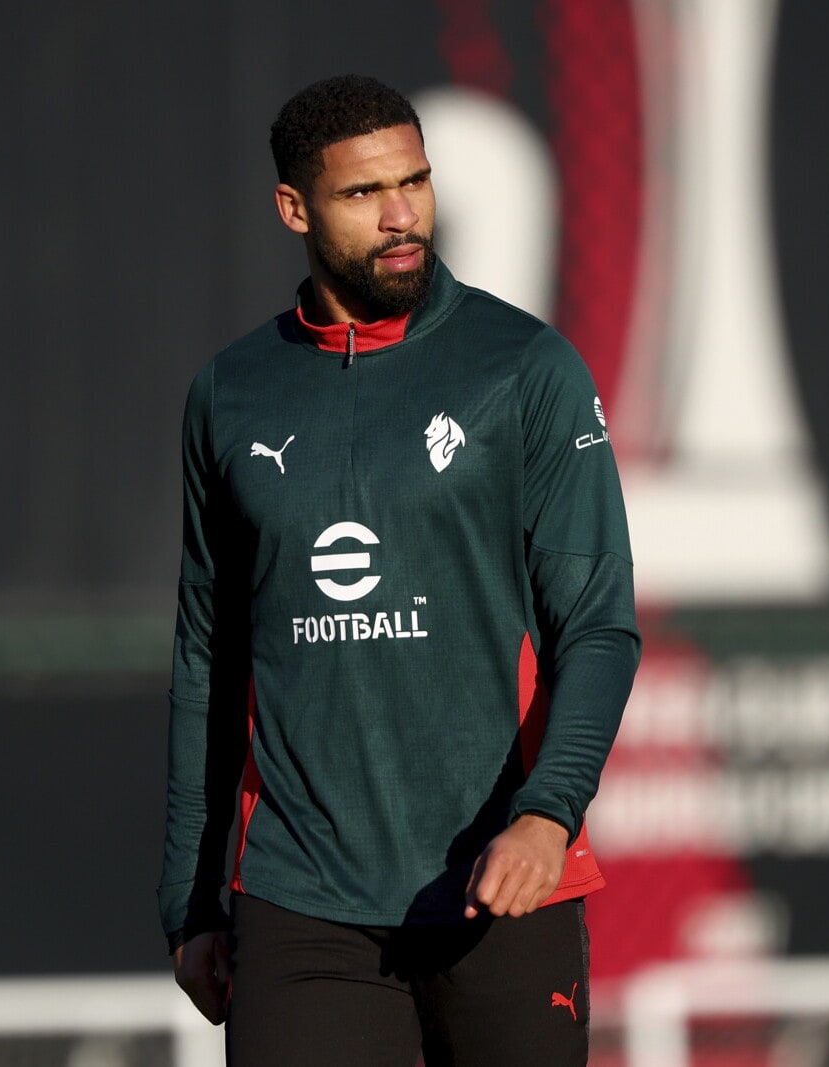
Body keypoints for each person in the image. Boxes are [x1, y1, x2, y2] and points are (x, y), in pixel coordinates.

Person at [157, 73, 641, 1067]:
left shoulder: (526, 367)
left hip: (501, 883)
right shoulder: (229, 394)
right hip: (300, 900)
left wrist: (548, 813)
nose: (401, 215)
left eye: (414, 182)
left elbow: (597, 624)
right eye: (362, 192)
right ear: (294, 208)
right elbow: (209, 656)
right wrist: (191, 898)